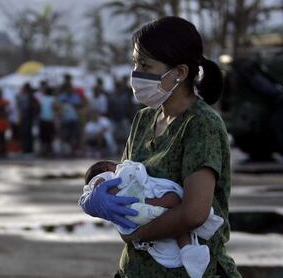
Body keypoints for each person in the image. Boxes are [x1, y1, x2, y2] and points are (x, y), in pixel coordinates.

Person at [79, 16, 241, 277]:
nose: (135, 73)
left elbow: (194, 213)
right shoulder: (144, 119)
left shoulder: (202, 125)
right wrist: (99, 197)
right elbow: (125, 182)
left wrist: (137, 235)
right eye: (134, 63)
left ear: (179, 72)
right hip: (135, 270)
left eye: (145, 64)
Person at [82, 160, 224, 278]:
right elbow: (98, 186)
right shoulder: (104, 176)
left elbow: (193, 215)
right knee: (173, 201)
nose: (119, 164)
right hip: (136, 206)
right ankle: (187, 247)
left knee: (176, 216)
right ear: (106, 167)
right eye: (115, 164)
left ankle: (187, 248)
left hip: (135, 211)